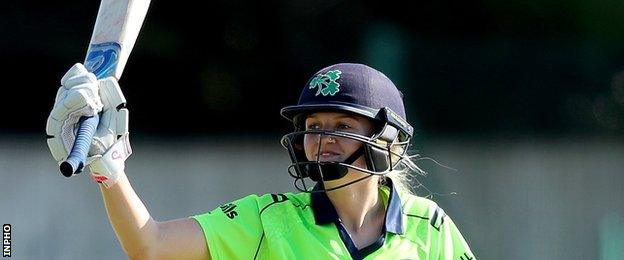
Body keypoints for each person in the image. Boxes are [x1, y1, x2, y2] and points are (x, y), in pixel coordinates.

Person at [46, 63, 475, 259]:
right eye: (313, 125)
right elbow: (151, 246)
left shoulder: (430, 229)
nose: (322, 138)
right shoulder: (267, 218)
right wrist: (109, 169)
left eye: (341, 123)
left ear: (387, 139)